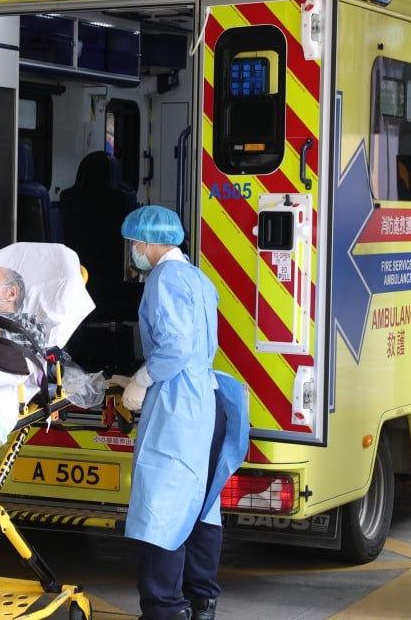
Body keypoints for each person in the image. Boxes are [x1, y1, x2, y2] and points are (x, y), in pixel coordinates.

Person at [117, 205, 247, 620]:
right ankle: (201, 600)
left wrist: (142, 380)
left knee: (163, 509)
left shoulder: (164, 278)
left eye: (135, 242)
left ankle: (165, 609)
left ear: (150, 242)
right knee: (202, 507)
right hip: (205, 404)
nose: (133, 250)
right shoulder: (197, 277)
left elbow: (173, 347)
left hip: (179, 409)